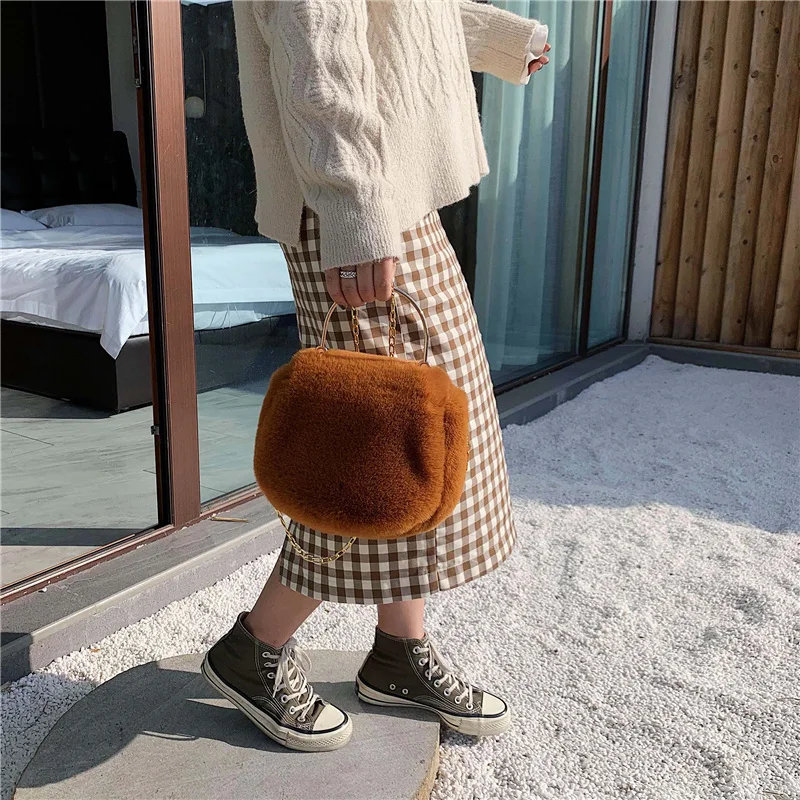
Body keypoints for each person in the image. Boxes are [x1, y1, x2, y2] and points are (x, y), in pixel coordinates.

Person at [202, 0, 551, 752]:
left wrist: (501, 39)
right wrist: (354, 210)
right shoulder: (354, 207)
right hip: (357, 204)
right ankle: (254, 650)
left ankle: (397, 651)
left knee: (419, 443)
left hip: (386, 195)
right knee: (370, 455)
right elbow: (316, 53)